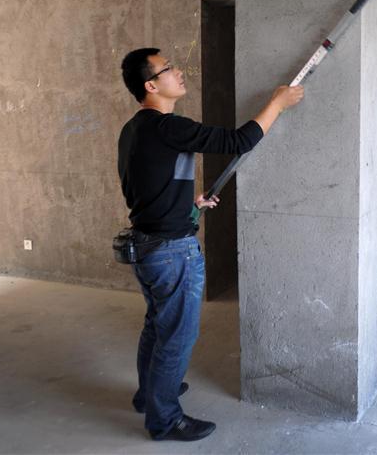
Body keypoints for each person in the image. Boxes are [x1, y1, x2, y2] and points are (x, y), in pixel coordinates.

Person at [118, 47, 304, 441]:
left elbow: (143, 188)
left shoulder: (134, 130)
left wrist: (190, 204)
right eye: (169, 69)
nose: (179, 72)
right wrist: (277, 103)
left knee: (157, 326)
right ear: (151, 85)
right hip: (171, 252)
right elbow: (241, 140)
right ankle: (164, 419)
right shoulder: (169, 126)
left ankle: (146, 396)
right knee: (176, 339)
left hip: (148, 246)